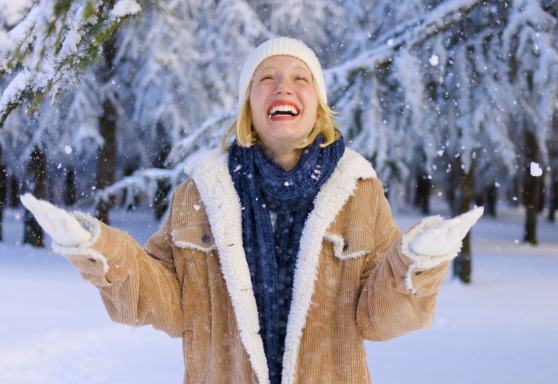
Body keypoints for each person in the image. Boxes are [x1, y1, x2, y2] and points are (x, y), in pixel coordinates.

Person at [21, 36, 483, 384]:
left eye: (300, 77)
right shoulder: (200, 192)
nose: (284, 86)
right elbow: (165, 302)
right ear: (250, 103)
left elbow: (377, 319)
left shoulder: (358, 191)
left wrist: (418, 265)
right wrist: (98, 250)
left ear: (317, 104)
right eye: (267, 78)